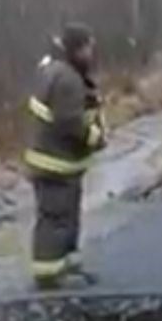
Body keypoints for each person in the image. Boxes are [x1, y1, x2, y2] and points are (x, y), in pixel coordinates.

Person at [24, 23, 108, 290]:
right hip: (56, 163)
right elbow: (69, 122)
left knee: (66, 216)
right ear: (77, 49)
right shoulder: (68, 80)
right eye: (88, 47)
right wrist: (96, 138)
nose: (91, 53)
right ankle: (47, 276)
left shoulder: (52, 71)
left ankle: (67, 262)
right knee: (55, 218)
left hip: (56, 161)